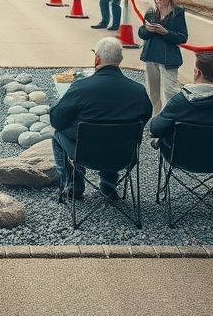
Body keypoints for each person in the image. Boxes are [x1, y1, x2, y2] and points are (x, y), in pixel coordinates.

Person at [48, 38, 153, 199]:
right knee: (115, 134)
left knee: (58, 135)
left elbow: (56, 121)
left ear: (97, 58)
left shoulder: (81, 87)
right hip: (123, 155)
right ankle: (109, 186)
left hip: (85, 154)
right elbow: (146, 116)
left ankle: (74, 186)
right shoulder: (138, 90)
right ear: (120, 60)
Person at [147, 52, 213, 192]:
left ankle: (163, 194)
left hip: (180, 158)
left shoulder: (179, 101)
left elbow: (155, 128)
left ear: (197, 72)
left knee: (160, 135)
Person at [137, 0, 187, 113]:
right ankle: (155, 119)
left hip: (168, 58)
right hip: (150, 55)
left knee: (169, 92)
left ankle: (169, 119)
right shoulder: (151, 12)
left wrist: (166, 33)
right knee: (152, 92)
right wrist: (148, 29)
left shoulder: (177, 12)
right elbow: (142, 34)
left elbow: (182, 37)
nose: (158, 1)